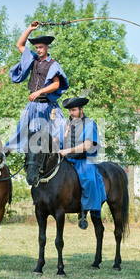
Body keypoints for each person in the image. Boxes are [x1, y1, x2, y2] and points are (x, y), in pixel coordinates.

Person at [4, 21, 69, 154]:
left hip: (48, 107)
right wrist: (29, 29)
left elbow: (56, 84)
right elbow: (19, 45)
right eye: (36, 47)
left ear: (47, 47)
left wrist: (39, 91)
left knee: (60, 132)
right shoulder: (32, 59)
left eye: (41, 47)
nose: (38, 50)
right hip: (33, 106)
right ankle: (4, 154)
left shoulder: (53, 64)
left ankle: (65, 158)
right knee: (21, 133)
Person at [58, 97, 107, 229]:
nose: (71, 113)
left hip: (83, 160)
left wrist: (67, 150)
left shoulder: (89, 123)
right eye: (70, 111)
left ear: (81, 109)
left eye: (73, 110)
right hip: (66, 160)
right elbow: (59, 140)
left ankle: (87, 210)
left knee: (90, 180)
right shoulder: (66, 124)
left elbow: (87, 145)